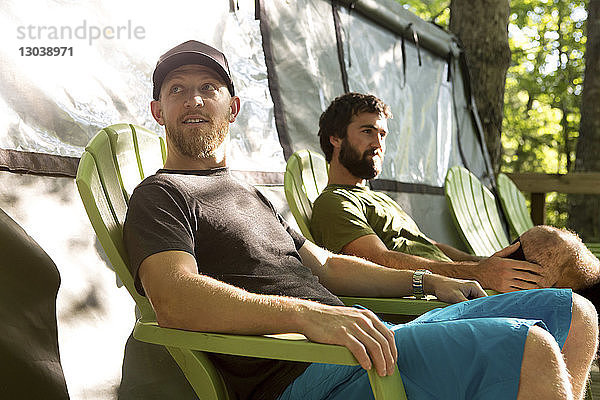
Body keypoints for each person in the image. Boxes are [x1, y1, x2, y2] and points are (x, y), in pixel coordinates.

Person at [123, 40, 598, 400]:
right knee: (529, 345)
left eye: (209, 88)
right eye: (177, 90)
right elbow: (174, 298)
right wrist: (309, 317)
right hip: (305, 369)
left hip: (364, 342)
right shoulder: (161, 194)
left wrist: (425, 281)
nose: (195, 100)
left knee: (574, 313)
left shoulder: (247, 193)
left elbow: (327, 266)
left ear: (233, 107)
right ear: (157, 111)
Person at [311, 92, 600, 297]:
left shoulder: (377, 198)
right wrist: (477, 274)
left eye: (383, 135)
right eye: (367, 131)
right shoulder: (334, 202)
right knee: (549, 243)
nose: (378, 143)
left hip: (462, 283)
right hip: (441, 298)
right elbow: (379, 262)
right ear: (335, 138)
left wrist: (481, 262)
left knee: (568, 275)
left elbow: (428, 245)